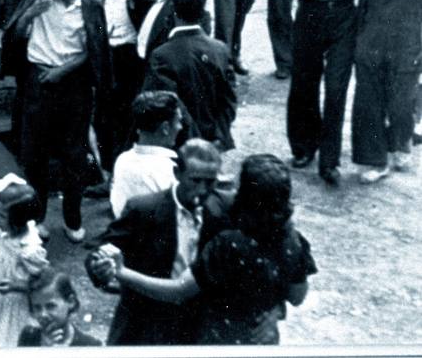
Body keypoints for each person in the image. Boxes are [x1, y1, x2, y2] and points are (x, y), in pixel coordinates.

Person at [104, 154, 315, 346]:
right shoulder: (295, 243)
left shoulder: (229, 244)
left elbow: (178, 290)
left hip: (216, 338)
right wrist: (276, 308)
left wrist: (123, 273)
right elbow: (297, 295)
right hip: (259, 341)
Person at [6, 0, 107, 242]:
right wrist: (30, 15)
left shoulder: (90, 5)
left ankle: (72, 219)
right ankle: (36, 218)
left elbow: (94, 49)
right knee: (34, 153)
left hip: (73, 85)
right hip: (38, 80)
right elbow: (14, 35)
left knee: (73, 155)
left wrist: (64, 71)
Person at [86, 139, 226, 345]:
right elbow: (101, 250)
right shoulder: (143, 210)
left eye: (211, 182)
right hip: (147, 318)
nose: (204, 190)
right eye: (195, 181)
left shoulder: (223, 209)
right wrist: (100, 267)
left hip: (199, 322)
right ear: (177, 174)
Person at [285, 0, 380, 186]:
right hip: (310, 14)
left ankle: (330, 162)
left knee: (337, 89)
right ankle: (303, 148)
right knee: (304, 83)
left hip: (343, 17)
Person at [351, 0, 422, 182]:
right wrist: (359, 43)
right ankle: (374, 161)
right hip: (372, 46)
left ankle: (401, 141)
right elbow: (363, 6)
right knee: (368, 105)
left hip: (408, 50)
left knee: (402, 105)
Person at [146, 0, 237, 151]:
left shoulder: (161, 55)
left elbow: (169, 105)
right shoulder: (221, 49)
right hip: (213, 141)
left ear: (173, 12)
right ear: (202, 14)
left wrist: (194, 144)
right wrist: (219, 136)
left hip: (181, 143)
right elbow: (229, 100)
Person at [98, 0, 156, 173]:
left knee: (125, 117)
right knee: (103, 116)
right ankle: (107, 168)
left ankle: (124, 168)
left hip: (129, 60)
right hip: (107, 59)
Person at [0, 185, 49, 348]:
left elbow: (45, 282)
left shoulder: (29, 249)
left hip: (17, 303)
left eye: (1, 216)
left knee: (9, 338)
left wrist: (15, 286)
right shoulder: (5, 233)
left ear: (18, 220)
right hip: (0, 298)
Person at [109, 92, 183, 219]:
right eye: (178, 121)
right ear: (165, 128)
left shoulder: (122, 160)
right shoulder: (170, 171)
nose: (180, 127)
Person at [18, 270, 101, 347]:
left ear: (70, 302)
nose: (43, 314)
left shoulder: (90, 345)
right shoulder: (28, 336)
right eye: (37, 307)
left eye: (50, 306)